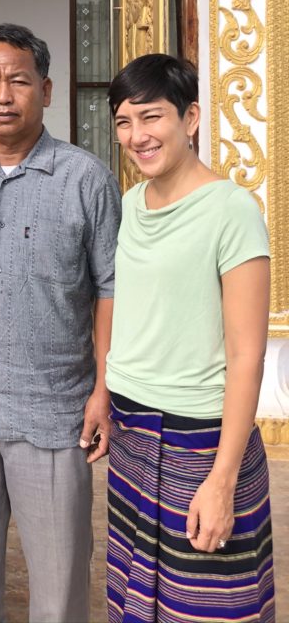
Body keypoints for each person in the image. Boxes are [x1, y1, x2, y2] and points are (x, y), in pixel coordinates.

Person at [0, 22, 121, 623]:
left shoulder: (85, 178)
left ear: (48, 89)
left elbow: (112, 286)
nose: (4, 95)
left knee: (60, 586)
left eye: (18, 81)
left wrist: (102, 389)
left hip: (55, 411)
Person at [105, 53, 274, 623]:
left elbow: (248, 353)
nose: (137, 136)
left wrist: (222, 477)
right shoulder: (131, 205)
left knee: (204, 601)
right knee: (136, 595)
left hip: (199, 439)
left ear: (191, 117)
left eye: (151, 118)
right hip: (133, 431)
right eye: (124, 122)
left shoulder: (232, 210)